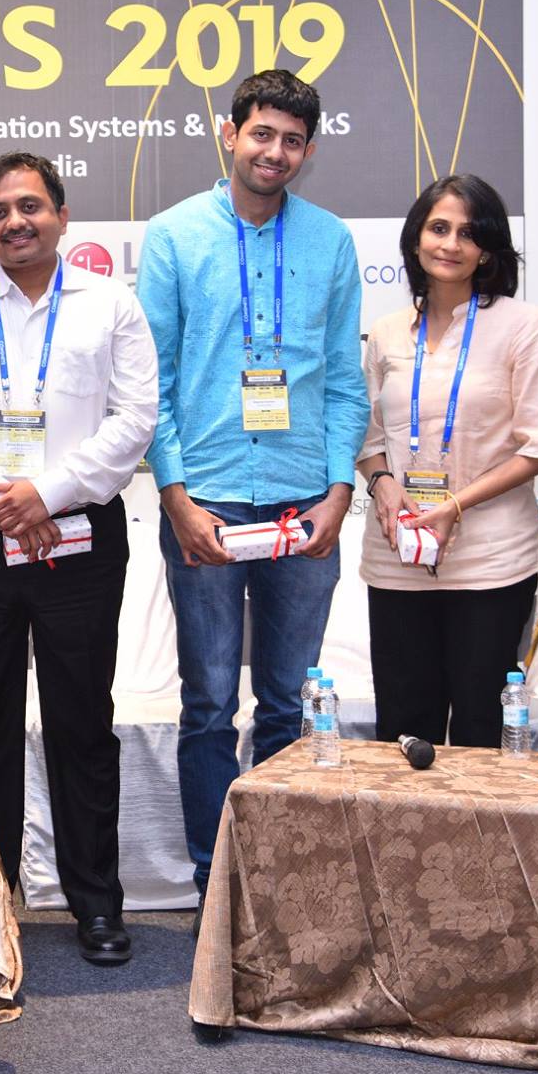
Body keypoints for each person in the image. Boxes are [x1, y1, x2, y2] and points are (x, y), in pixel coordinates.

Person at [0, 153, 156, 965]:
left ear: (61, 213)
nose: (15, 222)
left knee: (82, 721)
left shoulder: (112, 305)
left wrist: (45, 494)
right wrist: (1, 501)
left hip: (77, 538)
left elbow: (135, 418)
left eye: (30, 206)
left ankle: (96, 901)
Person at [138, 69, 366, 901]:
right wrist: (175, 498)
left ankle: (270, 881)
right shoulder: (173, 235)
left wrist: (340, 492)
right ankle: (214, 881)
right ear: (230, 133)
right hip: (209, 497)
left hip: (306, 500)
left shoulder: (329, 240)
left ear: (308, 150)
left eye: (292, 140)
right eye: (262, 133)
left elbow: (344, 380)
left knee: (286, 701)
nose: (275, 152)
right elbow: (153, 383)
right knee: (207, 703)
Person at [354, 175, 538, 745]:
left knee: (483, 732)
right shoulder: (386, 332)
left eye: (469, 233)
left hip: (492, 562)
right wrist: (382, 484)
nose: (451, 244)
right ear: (415, 238)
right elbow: (367, 436)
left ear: (488, 250)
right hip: (398, 556)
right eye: (438, 228)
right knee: (404, 732)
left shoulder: (524, 325)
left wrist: (455, 504)